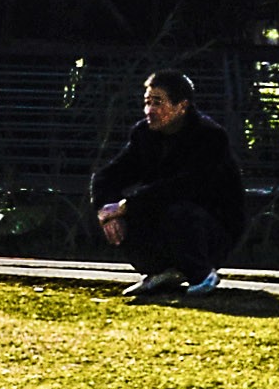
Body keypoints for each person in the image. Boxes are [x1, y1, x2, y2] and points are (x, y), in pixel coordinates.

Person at [90, 65, 247, 300]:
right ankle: (159, 271)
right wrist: (106, 209)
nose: (149, 110)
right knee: (122, 214)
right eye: (147, 102)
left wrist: (126, 205)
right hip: (166, 216)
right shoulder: (144, 135)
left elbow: (187, 186)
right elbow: (108, 176)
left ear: (181, 106)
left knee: (176, 211)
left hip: (212, 227)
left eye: (158, 103)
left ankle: (201, 273)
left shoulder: (210, 136)